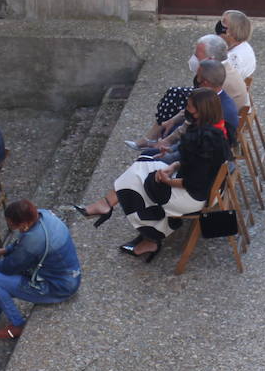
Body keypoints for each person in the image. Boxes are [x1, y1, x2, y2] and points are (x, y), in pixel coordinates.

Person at [77, 88, 231, 262]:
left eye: (189, 106)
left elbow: (194, 182)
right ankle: (144, 232)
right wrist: (173, 166)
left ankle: (147, 235)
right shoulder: (209, 133)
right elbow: (196, 163)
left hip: (195, 197)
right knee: (141, 174)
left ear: (200, 110)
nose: (186, 109)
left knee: (139, 187)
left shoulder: (205, 139)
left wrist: (167, 180)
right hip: (200, 187)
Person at [0, 199, 81, 345]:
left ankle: (17, 324)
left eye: (13, 225)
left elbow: (9, 267)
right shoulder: (42, 215)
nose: (12, 228)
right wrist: (4, 250)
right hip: (68, 277)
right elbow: (23, 244)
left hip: (58, 287)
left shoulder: (33, 240)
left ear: (24, 224)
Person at [189, 10, 257, 80]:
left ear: (231, 31)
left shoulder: (234, 58)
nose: (219, 24)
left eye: (223, 22)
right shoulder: (242, 45)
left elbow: (211, 77)